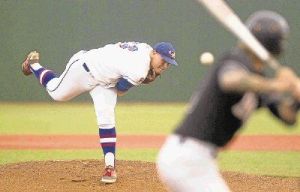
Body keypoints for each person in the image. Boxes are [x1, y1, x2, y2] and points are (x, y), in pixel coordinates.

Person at [156, 10, 300, 192]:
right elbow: (230, 80)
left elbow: (288, 117)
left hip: (200, 161)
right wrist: (277, 85)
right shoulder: (235, 60)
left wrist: (296, 98)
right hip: (187, 157)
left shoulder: (258, 81)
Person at [21, 41, 178, 184]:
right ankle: (33, 65)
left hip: (105, 81)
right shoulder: (139, 71)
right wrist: (142, 79)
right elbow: (120, 91)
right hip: (84, 68)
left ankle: (109, 166)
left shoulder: (146, 48)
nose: (165, 65)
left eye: (169, 63)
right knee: (56, 92)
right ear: (155, 53)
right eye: (163, 60)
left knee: (107, 118)